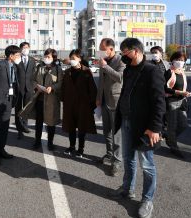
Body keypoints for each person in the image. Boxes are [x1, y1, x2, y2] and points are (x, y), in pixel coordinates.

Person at [112, 38, 166, 218]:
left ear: (135, 51)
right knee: (128, 158)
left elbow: (159, 101)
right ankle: (127, 188)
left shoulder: (152, 70)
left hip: (145, 127)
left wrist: (155, 128)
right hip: (127, 120)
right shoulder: (128, 70)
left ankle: (147, 199)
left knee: (147, 165)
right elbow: (125, 94)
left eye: (124, 52)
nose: (122, 56)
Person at [96, 38, 125, 176]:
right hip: (104, 100)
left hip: (115, 101)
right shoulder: (103, 61)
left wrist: (105, 67)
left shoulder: (121, 60)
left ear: (111, 49)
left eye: (103, 49)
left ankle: (117, 161)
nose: (101, 52)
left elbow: (120, 78)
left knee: (116, 133)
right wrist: (98, 98)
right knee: (106, 131)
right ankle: (109, 154)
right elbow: (101, 81)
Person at [62, 49, 97, 158]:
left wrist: (92, 105)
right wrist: (64, 100)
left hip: (83, 105)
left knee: (82, 128)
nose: (71, 60)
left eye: (74, 58)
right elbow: (64, 88)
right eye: (71, 58)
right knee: (71, 127)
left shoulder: (86, 71)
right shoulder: (67, 72)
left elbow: (92, 89)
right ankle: (72, 146)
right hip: (70, 104)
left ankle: (80, 149)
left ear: (80, 59)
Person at [30, 48, 63, 150]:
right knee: (39, 122)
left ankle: (50, 142)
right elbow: (33, 80)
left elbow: (60, 83)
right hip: (39, 98)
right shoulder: (39, 67)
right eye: (45, 56)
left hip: (51, 100)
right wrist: (37, 86)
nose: (46, 58)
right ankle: (37, 141)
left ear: (54, 58)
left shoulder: (58, 69)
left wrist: (52, 88)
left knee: (51, 123)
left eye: (48, 57)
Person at [164, 51, 191, 159]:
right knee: (172, 126)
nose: (180, 62)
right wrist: (179, 93)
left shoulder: (182, 72)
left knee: (183, 124)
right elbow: (164, 88)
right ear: (173, 60)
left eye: (182, 60)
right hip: (171, 101)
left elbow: (182, 87)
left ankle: (169, 137)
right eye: (178, 59)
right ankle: (173, 147)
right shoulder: (169, 72)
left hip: (182, 101)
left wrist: (186, 93)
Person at [15, 42, 36, 139]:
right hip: (19, 88)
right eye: (23, 47)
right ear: (20, 49)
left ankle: (25, 126)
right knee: (18, 108)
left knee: (27, 108)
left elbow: (34, 74)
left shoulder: (32, 60)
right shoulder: (17, 60)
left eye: (27, 47)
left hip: (29, 88)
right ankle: (19, 129)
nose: (25, 49)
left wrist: (34, 87)